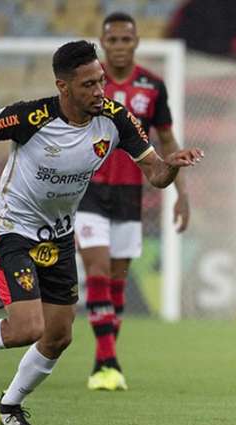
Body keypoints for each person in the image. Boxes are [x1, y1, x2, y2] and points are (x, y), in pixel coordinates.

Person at [0, 40, 202, 425]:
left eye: (101, 82)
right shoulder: (32, 116)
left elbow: (156, 175)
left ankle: (10, 406)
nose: (100, 92)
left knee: (59, 335)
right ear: (63, 86)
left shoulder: (115, 119)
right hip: (11, 227)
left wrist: (173, 167)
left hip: (58, 234)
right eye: (89, 85)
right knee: (27, 327)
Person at [75, 12, 189, 392]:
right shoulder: (90, 85)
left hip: (129, 194)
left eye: (127, 39)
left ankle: (103, 361)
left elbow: (168, 142)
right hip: (88, 189)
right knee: (98, 270)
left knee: (118, 281)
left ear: (137, 42)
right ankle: (108, 361)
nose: (120, 46)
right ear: (103, 43)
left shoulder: (152, 86)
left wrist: (181, 193)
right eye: (113, 40)